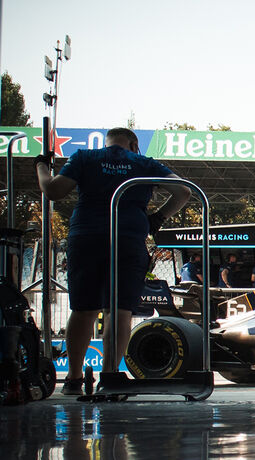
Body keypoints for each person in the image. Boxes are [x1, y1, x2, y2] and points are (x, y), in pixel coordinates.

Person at [35, 127, 191, 395]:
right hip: (128, 238)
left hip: (86, 236)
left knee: (83, 309)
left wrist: (41, 166)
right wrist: (157, 218)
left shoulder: (84, 157)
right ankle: (110, 376)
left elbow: (53, 190)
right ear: (133, 144)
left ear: (107, 142)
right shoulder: (144, 163)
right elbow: (184, 193)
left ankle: (72, 380)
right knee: (118, 311)